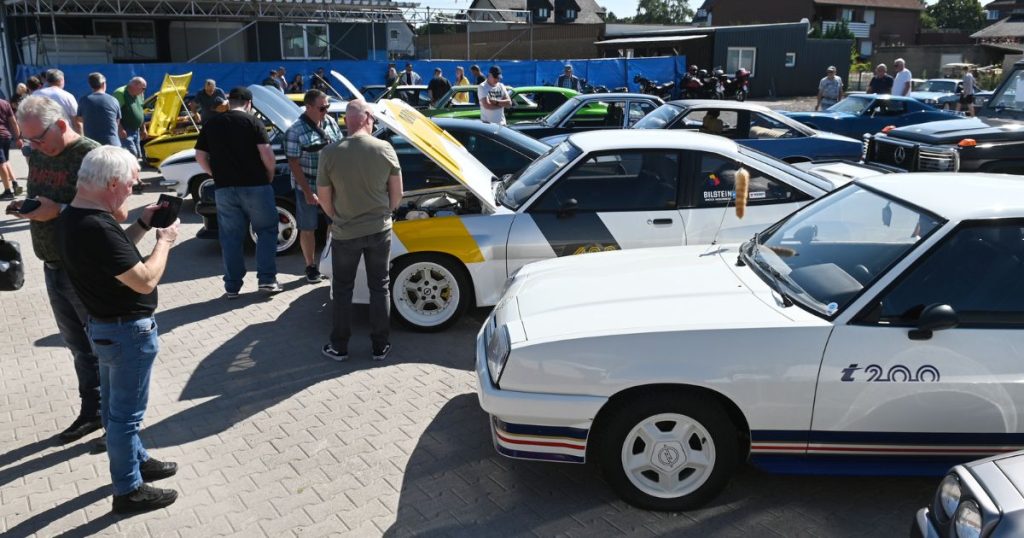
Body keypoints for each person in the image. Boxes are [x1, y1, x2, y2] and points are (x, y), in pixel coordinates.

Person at [57, 145, 180, 514]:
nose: (134, 187)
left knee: (115, 410)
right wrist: (165, 242)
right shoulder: (96, 225)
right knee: (126, 418)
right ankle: (128, 490)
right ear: (111, 183)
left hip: (105, 329)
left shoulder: (75, 216)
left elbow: (114, 254)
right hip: (127, 333)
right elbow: (144, 280)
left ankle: (137, 460)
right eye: (131, 182)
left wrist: (142, 224)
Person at [12, 95, 103, 445]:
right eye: (27, 140)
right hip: (52, 266)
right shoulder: (38, 154)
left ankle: (120, 424)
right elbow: (41, 195)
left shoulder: (91, 155)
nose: (32, 147)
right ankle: (91, 412)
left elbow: (111, 213)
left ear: (61, 125)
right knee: (79, 348)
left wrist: (60, 211)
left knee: (104, 349)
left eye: (37, 139)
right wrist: (28, 206)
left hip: (85, 269)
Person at [317, 99, 402, 362]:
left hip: (345, 232)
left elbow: (324, 197)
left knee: (342, 289)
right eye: (373, 118)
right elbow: (397, 194)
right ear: (367, 118)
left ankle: (339, 347)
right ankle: (380, 346)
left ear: (346, 120)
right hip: (379, 229)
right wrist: (386, 214)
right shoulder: (384, 148)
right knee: (380, 287)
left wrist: (337, 218)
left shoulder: (329, 153)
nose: (374, 122)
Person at [195, 87, 281, 297]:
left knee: (231, 237)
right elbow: (267, 155)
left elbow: (199, 155)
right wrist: (269, 176)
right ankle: (267, 280)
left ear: (229, 102)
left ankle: (232, 286)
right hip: (255, 186)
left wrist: (215, 173)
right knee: (266, 231)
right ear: (249, 104)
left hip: (224, 188)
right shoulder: (253, 122)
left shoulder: (212, 123)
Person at [284, 89, 343, 283]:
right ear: (308, 107)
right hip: (308, 185)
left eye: (328, 106)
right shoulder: (295, 130)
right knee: (308, 227)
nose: (326, 111)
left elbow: (340, 148)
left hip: (331, 185)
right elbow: (293, 163)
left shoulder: (331, 122)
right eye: (322, 107)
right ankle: (310, 266)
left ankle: (329, 262)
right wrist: (308, 192)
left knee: (334, 224)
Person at [75, 72, 122, 148]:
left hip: (92, 145)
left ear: (90, 85)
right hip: (112, 143)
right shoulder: (113, 100)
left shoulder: (84, 100)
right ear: (103, 84)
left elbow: (79, 121)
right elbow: (117, 122)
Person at [112, 77, 147, 158]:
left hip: (136, 130)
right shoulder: (120, 93)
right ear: (135, 85)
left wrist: (143, 128)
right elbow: (113, 114)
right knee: (131, 155)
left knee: (138, 155)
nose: (144, 91)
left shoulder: (140, 94)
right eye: (143, 88)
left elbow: (140, 111)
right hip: (125, 131)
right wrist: (120, 129)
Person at [0, 94, 18, 200]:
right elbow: (13, 122)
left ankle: (8, 191)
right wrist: (18, 137)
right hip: (6, 136)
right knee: (5, 161)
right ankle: (14, 183)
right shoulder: (5, 103)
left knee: (1, 163)